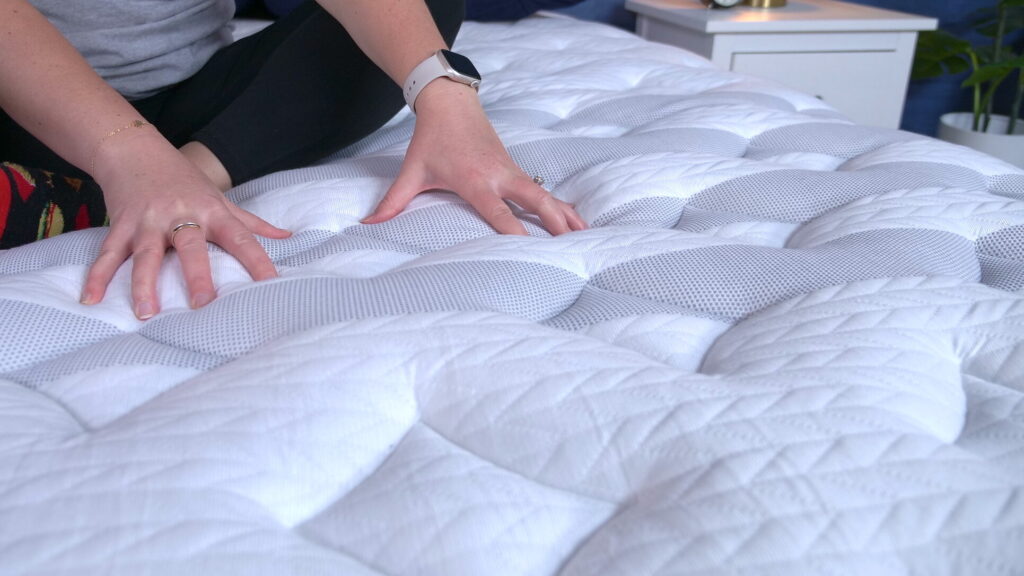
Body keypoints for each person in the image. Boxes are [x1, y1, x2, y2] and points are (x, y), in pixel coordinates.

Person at [0, 0, 587, 320]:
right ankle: (125, 183)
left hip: (197, 103)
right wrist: (122, 151)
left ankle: (178, 179)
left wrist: (446, 97)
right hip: (27, 107)